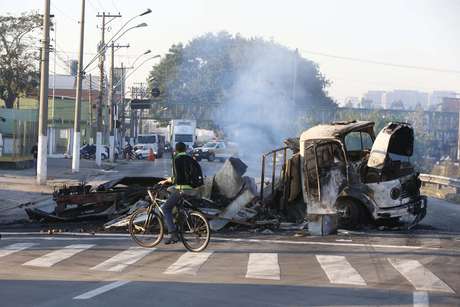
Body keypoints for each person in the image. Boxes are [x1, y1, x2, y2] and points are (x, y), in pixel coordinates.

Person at [159, 142, 203, 244]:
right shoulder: (190, 158)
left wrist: (166, 181)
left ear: (176, 149)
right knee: (178, 206)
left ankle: (173, 234)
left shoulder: (177, 159)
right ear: (185, 149)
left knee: (166, 208)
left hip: (182, 189)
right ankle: (179, 228)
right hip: (193, 188)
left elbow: (176, 177)